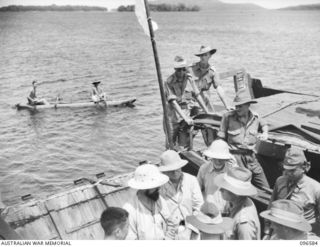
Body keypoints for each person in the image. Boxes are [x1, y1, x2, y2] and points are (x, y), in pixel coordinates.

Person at [218, 88, 270, 189]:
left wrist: (265, 133)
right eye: (236, 105)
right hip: (234, 157)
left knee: (265, 187)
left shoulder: (256, 117)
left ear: (248, 105)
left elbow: (264, 124)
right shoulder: (228, 117)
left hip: (251, 158)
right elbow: (220, 139)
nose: (237, 108)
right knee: (238, 186)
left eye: (240, 106)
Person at [265, 146, 320, 238]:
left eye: (292, 170)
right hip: (279, 233)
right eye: (286, 169)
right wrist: (267, 232)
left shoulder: (316, 189)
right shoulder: (280, 181)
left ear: (304, 168)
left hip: (302, 236)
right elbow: (271, 207)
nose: (287, 173)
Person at [164, 56, 209, 149]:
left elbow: (197, 95)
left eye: (184, 69)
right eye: (179, 70)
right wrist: (185, 118)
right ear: (175, 69)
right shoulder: (169, 82)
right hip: (173, 119)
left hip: (185, 118)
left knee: (184, 145)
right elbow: (173, 103)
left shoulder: (189, 79)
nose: (181, 72)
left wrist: (207, 112)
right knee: (170, 145)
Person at [159, 150, 204, 239]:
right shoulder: (159, 186)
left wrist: (192, 228)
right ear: (164, 171)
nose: (175, 172)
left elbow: (199, 206)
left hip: (191, 229)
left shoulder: (192, 180)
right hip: (168, 233)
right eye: (171, 170)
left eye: (177, 168)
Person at [123, 164, 175, 240]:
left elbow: (170, 222)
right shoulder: (129, 210)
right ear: (144, 188)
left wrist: (169, 237)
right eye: (155, 186)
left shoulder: (159, 199)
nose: (159, 188)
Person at [215, 167, 261, 240]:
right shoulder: (235, 202)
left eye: (225, 188)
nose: (220, 190)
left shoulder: (244, 223)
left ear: (235, 192)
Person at [197, 139, 237, 215]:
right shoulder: (204, 169)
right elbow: (197, 190)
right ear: (211, 157)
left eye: (221, 159)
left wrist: (235, 170)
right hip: (207, 211)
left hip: (225, 212)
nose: (218, 161)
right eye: (215, 158)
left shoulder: (231, 171)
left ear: (226, 158)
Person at [190, 45, 230, 112]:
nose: (203, 57)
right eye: (201, 55)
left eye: (205, 55)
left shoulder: (212, 71)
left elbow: (219, 88)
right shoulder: (191, 69)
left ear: (210, 56)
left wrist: (227, 105)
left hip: (204, 104)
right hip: (191, 103)